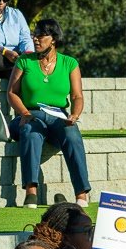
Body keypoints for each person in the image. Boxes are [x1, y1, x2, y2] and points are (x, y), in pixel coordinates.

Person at [6, 19, 91, 209]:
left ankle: (81, 194)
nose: (35, 39)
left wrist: (74, 115)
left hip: (58, 115)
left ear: (53, 39)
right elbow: (11, 92)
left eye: (41, 35)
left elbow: (77, 96)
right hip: (30, 113)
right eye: (34, 34)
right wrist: (24, 113)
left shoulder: (69, 63)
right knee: (30, 130)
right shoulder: (24, 61)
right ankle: (31, 192)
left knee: (72, 134)